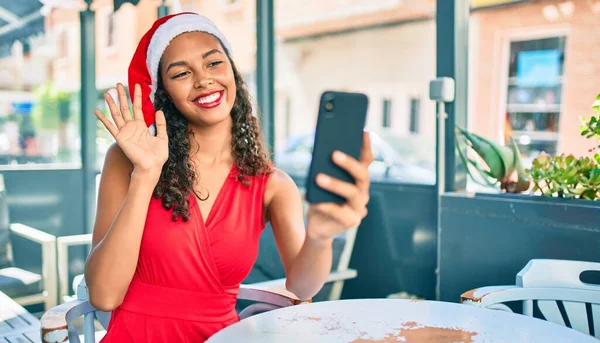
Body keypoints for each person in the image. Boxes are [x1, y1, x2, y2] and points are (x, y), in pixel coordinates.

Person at [84, 12, 373, 342]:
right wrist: (146, 175)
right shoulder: (127, 161)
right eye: (181, 73)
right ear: (164, 93)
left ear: (233, 72)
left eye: (214, 63)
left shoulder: (273, 185)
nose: (203, 80)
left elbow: (302, 287)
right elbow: (104, 296)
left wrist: (320, 238)